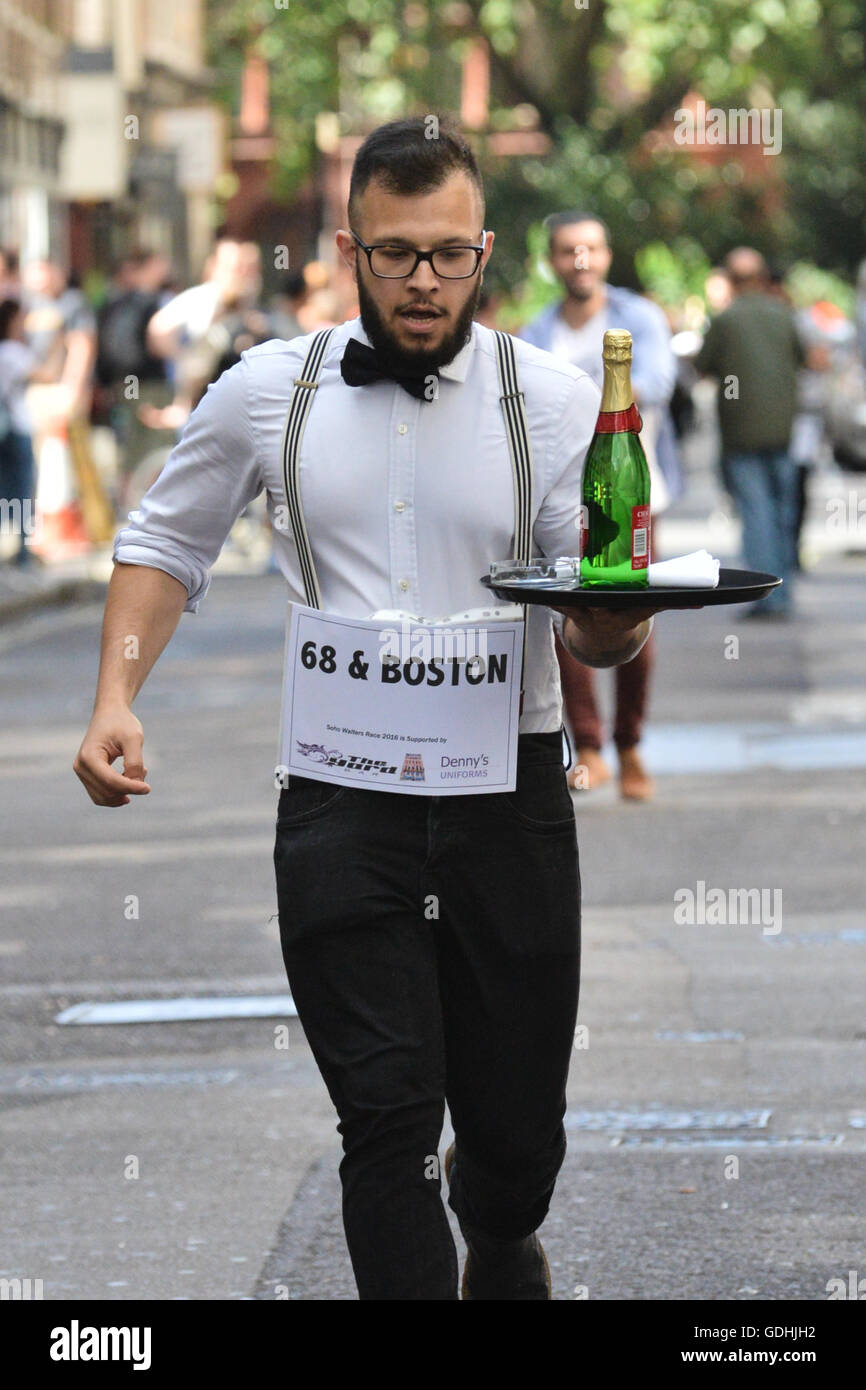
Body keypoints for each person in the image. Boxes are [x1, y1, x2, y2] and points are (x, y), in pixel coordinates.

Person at [72, 115, 667, 1301]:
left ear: (485, 250)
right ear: (350, 249)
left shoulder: (549, 403)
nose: (423, 280)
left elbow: (599, 602)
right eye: (395, 253)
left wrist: (615, 624)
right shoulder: (267, 391)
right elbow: (163, 545)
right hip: (341, 805)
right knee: (384, 1123)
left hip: (507, 804)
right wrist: (112, 697)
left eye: (447, 253)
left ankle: (499, 1222)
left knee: (514, 1146)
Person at [520, 212, 682, 800]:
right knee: (568, 619)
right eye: (567, 250)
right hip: (563, 501)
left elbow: (660, 383)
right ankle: (587, 745)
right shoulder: (537, 331)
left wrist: (582, 403)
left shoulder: (637, 318)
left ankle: (630, 744)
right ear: (553, 260)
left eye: (590, 247)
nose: (579, 259)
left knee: (635, 620)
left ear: (607, 255)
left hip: (636, 493)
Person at [694, 248, 805, 619]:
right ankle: (783, 593)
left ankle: (766, 595)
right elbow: (804, 358)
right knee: (782, 512)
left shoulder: (725, 320)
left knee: (757, 514)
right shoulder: (783, 315)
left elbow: (702, 365)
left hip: (741, 433)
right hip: (783, 429)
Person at [0, 298, 64, 565]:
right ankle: (23, 552)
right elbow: (47, 374)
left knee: (6, 488)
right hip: (17, 426)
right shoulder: (13, 352)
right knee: (24, 489)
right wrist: (58, 343)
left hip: (6, 429)